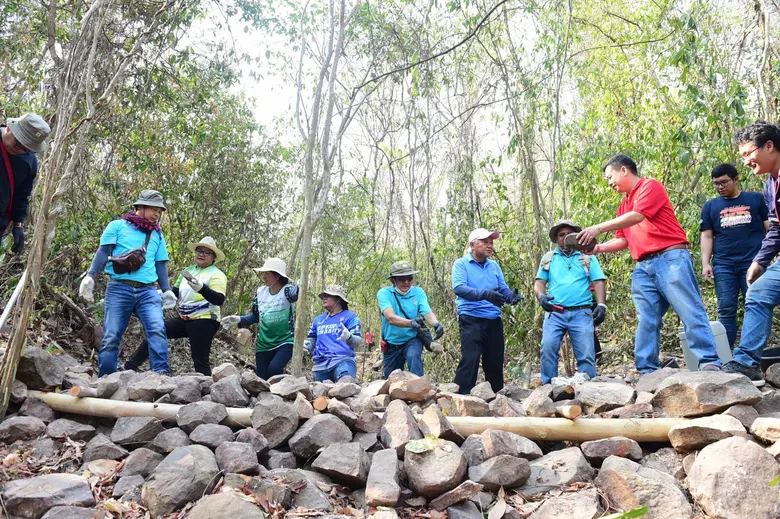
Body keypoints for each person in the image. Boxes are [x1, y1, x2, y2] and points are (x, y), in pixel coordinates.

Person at [576, 154, 721, 374]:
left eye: (609, 177)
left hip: (670, 259)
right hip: (643, 266)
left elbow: (637, 216)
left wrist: (597, 228)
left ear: (624, 170)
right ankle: (647, 369)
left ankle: (708, 362)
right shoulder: (622, 206)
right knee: (647, 318)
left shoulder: (649, 186)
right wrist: (598, 248)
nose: (609, 183)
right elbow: (623, 239)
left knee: (689, 309)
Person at [79, 190, 176, 376]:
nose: (157, 214)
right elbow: (103, 251)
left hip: (148, 291)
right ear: (140, 206)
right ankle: (106, 379)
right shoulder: (117, 226)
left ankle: (161, 376)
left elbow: (160, 264)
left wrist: (167, 289)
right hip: (119, 288)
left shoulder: (157, 235)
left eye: (159, 211)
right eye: (154, 209)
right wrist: (91, 275)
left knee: (157, 330)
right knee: (112, 334)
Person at [719, 121, 780, 386]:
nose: (745, 161)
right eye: (742, 156)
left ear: (769, 146)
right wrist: (760, 261)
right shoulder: (770, 186)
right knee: (759, 291)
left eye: (747, 154)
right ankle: (746, 362)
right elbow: (776, 228)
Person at [124, 236, 228, 376]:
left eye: (206, 252)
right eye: (199, 251)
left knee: (199, 359)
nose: (201, 254)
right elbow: (174, 293)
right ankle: (130, 366)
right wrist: (155, 293)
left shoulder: (217, 274)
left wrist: (202, 288)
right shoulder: (189, 270)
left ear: (213, 257)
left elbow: (218, 300)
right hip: (184, 318)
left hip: (205, 319)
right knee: (156, 332)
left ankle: (208, 391)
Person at [700, 163, 769, 348]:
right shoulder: (710, 206)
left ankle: (753, 353)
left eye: (724, 182)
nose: (720, 187)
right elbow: (707, 235)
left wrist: (770, 256)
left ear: (735, 179)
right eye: (716, 184)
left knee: (756, 306)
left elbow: (769, 228)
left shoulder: (756, 199)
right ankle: (726, 356)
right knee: (726, 310)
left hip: (754, 263)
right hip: (724, 265)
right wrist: (705, 263)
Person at [451, 228, 523, 394]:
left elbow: (502, 288)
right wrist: (484, 294)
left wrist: (511, 296)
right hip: (470, 317)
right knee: (471, 359)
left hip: (493, 318)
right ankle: (462, 397)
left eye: (491, 242)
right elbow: (459, 288)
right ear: (472, 245)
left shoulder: (494, 266)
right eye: (484, 242)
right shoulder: (461, 264)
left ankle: (497, 398)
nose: (489, 246)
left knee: (495, 361)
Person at [535, 220, 607, 384]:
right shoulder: (549, 258)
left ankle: (587, 388)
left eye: (569, 234)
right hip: (555, 312)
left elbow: (598, 281)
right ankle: (549, 386)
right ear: (556, 239)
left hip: (581, 312)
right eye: (561, 235)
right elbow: (539, 282)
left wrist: (601, 305)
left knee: (586, 352)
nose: (565, 238)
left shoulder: (586, 257)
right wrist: (541, 297)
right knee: (547, 347)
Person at [221, 257, 298, 379]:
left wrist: (300, 285)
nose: (264, 277)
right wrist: (239, 319)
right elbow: (255, 316)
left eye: (267, 273)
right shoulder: (261, 292)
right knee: (261, 379)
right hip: (263, 344)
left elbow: (296, 293)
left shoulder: (287, 291)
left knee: (274, 370)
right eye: (264, 273)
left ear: (277, 275)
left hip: (284, 342)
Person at [377, 261, 445, 378]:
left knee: (414, 356)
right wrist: (411, 323)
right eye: (401, 279)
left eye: (409, 278)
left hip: (411, 339)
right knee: (390, 380)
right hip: (391, 344)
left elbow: (427, 312)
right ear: (393, 280)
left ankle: (419, 388)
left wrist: (436, 323)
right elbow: (391, 318)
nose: (406, 282)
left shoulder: (418, 292)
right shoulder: (384, 293)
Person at [0, 114, 52, 253]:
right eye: (18, 145)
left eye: (28, 149)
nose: (21, 151)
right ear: (10, 129)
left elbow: (21, 196)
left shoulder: (29, 162)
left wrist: (18, 225)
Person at [304, 284, 362, 382]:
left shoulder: (350, 317)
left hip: (343, 361)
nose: (324, 298)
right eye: (323, 296)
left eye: (328, 295)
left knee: (345, 384)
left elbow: (357, 341)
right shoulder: (318, 320)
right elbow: (312, 339)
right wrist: (306, 345)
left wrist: (349, 337)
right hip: (320, 365)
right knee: (318, 394)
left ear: (338, 299)